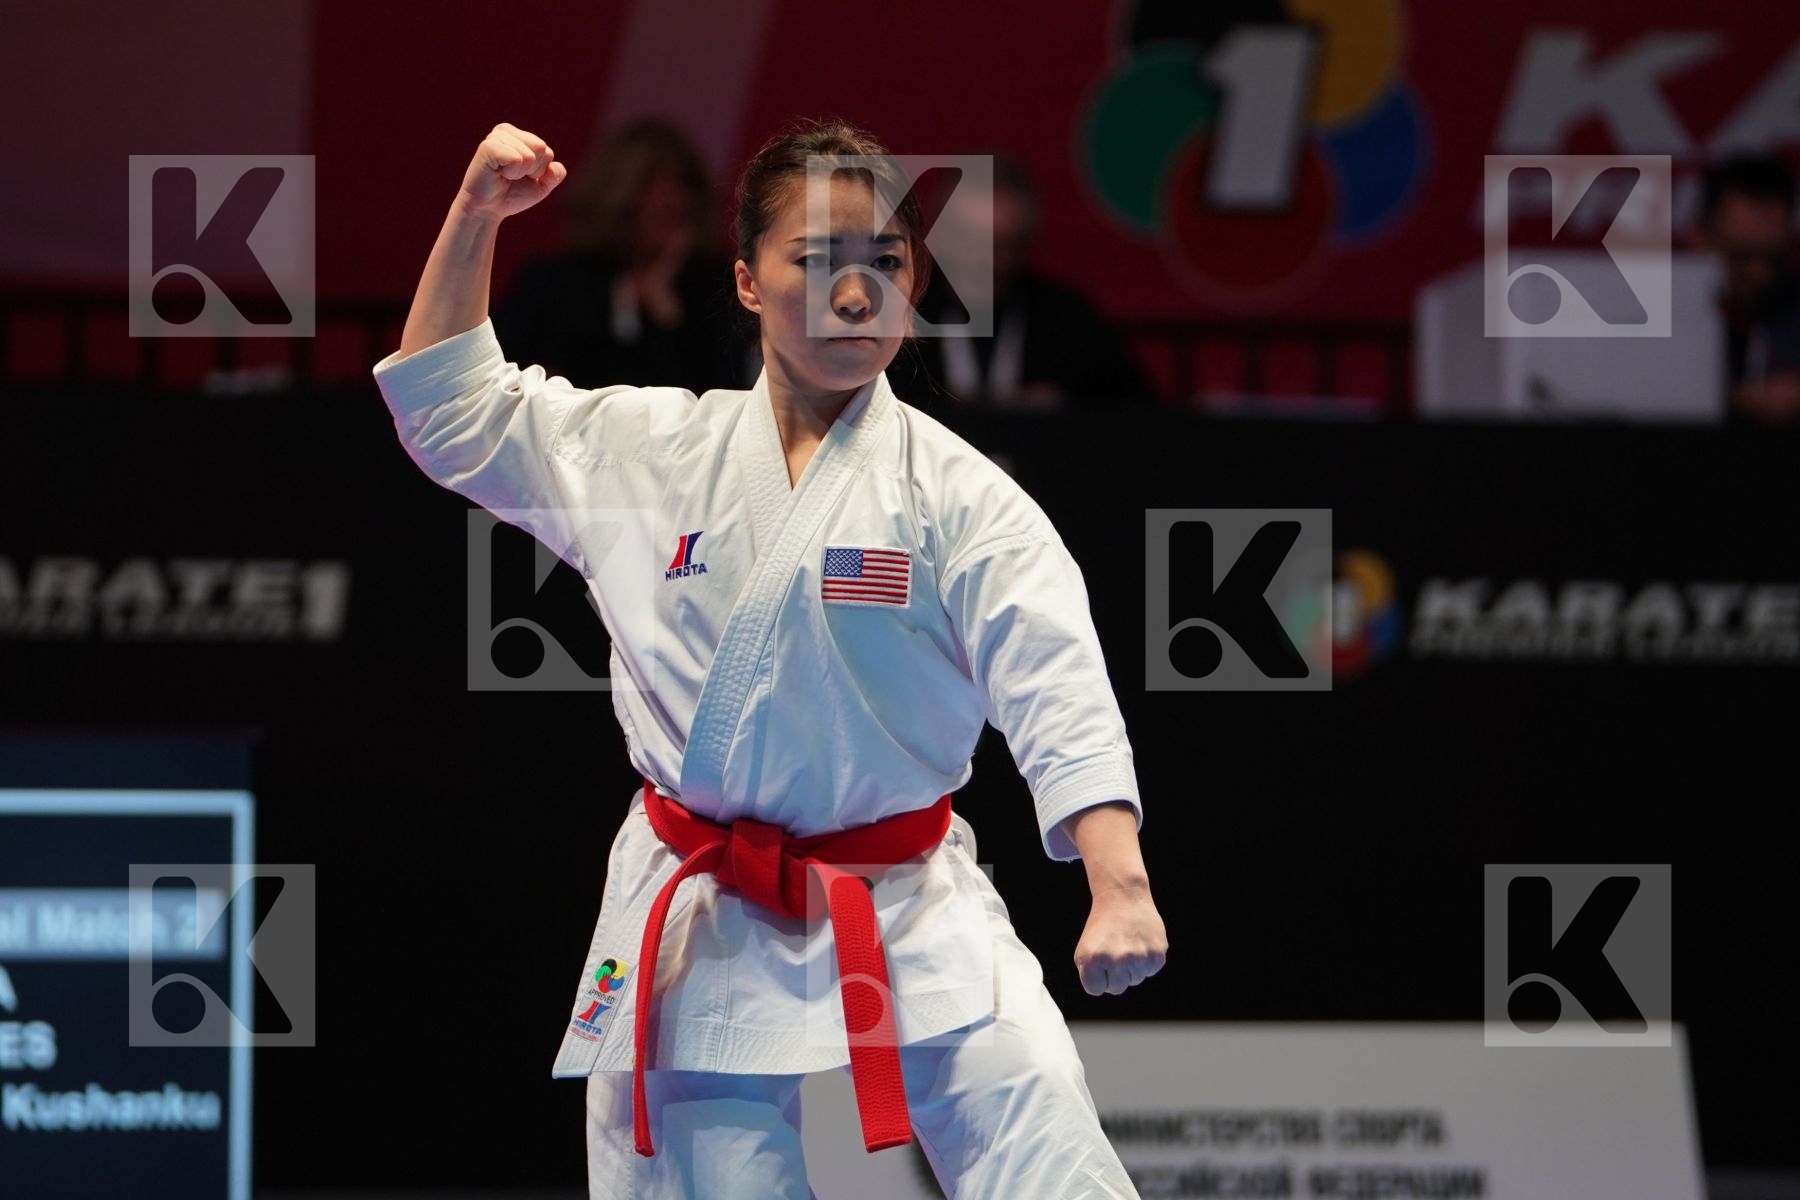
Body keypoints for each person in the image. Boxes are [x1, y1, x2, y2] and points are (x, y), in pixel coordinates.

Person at [372, 118, 1167, 1199]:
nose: (857, 294)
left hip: (907, 899)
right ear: (747, 282)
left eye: (885, 263)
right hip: (704, 916)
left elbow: (1056, 685)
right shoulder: (649, 452)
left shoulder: (961, 496)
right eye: (818, 260)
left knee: (1060, 1167)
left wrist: (1118, 886)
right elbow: (449, 410)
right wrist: (474, 216)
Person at [489, 118, 749, 396]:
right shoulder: (554, 284)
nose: (674, 199)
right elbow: (498, 377)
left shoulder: (717, 292)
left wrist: (665, 313)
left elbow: (723, 397)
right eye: (652, 184)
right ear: (619, 196)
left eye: (684, 185)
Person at [885, 155, 1157, 411]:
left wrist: (1063, 410)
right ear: (936, 235)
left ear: (1025, 244)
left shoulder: (1068, 320)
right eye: (967, 239)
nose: (982, 261)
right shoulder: (897, 318)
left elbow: (1136, 417)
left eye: (1000, 245)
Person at [1694, 152, 1800, 426]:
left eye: (1775, 258)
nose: (1758, 272)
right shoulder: (1653, 314)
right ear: (1700, 238)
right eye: (1740, 256)